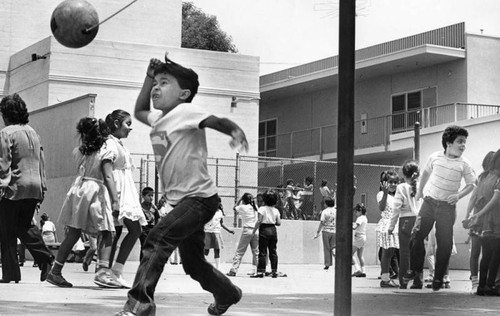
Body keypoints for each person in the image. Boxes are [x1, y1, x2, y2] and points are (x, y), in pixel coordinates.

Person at [117, 54, 247, 316]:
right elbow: (141, 110)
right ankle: (227, 293)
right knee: (193, 265)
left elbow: (214, 121)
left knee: (157, 238)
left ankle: (140, 303)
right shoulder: (159, 119)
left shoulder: (186, 111)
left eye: (164, 83)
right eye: (156, 83)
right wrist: (148, 76)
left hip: (199, 199)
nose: (156, 87)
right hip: (184, 202)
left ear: (184, 93)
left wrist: (233, 129)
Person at [46, 117, 120, 288]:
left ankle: (55, 272)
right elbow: (108, 176)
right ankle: (102, 272)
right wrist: (115, 200)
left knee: (74, 233)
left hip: (80, 189)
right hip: (95, 190)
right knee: (108, 232)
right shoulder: (105, 151)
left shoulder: (81, 151)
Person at [403, 125, 476, 291]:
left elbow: (471, 184)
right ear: (449, 143)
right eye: (460, 141)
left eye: (465, 142)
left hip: (447, 208)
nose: (463, 145)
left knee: (445, 244)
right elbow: (426, 174)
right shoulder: (435, 157)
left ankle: (438, 277)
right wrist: (420, 191)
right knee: (416, 235)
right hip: (429, 203)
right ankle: (415, 269)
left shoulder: (464, 163)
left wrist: (458, 195)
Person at [0, 93, 54, 284]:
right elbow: (42, 162)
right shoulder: (33, 132)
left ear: (6, 114)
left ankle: (11, 273)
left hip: (14, 187)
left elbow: (3, 164)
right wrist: (43, 188)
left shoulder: (6, 133)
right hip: (35, 186)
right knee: (24, 226)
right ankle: (46, 259)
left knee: (6, 230)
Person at [105, 109, 147, 289]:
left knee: (133, 230)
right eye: (127, 124)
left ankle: (115, 271)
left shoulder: (119, 144)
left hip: (127, 192)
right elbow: (107, 172)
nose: (131, 128)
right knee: (113, 234)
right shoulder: (109, 144)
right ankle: (108, 272)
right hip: (118, 192)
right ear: (116, 124)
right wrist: (114, 198)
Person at [468, 149, 500, 295]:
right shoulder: (498, 178)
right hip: (496, 221)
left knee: (486, 254)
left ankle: (481, 286)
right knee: (496, 254)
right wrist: (480, 214)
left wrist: (476, 215)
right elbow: (495, 200)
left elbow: (475, 198)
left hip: (484, 223)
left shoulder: (484, 177)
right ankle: (491, 285)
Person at [388, 160, 421, 289]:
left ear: (404, 173)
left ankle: (403, 281)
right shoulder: (420, 186)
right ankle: (418, 280)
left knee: (405, 253)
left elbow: (396, 207)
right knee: (418, 252)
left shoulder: (401, 187)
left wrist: (391, 226)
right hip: (419, 220)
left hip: (405, 221)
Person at [376, 170, 400, 288]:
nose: (393, 184)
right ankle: (385, 279)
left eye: (395, 182)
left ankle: (388, 276)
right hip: (387, 224)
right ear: (384, 183)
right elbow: (381, 207)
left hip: (396, 225)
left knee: (391, 252)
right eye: (390, 182)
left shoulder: (397, 196)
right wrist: (385, 193)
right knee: (386, 251)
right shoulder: (381, 194)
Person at [251, 189, 282, 278]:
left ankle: (261, 271)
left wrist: (254, 231)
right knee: (273, 251)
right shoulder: (276, 210)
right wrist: (272, 221)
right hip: (273, 229)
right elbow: (279, 223)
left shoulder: (262, 209)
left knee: (263, 251)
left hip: (264, 229)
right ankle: (274, 271)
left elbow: (259, 220)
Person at [227, 193, 259, 277]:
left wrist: (240, 199)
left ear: (244, 200)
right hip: (255, 230)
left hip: (247, 230)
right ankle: (257, 270)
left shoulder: (243, 207)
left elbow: (234, 208)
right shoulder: (255, 207)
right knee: (256, 252)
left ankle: (234, 269)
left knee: (240, 251)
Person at [204, 199, 235, 270]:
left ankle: (218, 267)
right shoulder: (208, 211)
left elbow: (221, 223)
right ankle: (202, 266)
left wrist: (229, 230)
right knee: (206, 250)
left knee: (217, 249)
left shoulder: (220, 212)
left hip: (216, 232)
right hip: (208, 232)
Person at [313, 197, 336, 270]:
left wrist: (318, 232)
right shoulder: (336, 211)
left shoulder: (324, 211)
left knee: (326, 248)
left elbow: (322, 222)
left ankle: (327, 264)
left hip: (326, 231)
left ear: (326, 203)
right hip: (334, 231)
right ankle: (337, 260)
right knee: (333, 247)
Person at [139, 187, 160, 261]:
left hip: (152, 229)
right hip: (144, 229)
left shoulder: (154, 207)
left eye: (152, 196)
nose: (151, 198)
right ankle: (142, 263)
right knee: (144, 246)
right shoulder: (140, 207)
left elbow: (157, 218)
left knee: (152, 247)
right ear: (143, 196)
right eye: (149, 195)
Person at [351, 203, 368, 277]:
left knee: (350, 254)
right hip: (363, 237)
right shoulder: (365, 218)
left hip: (359, 237)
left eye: (356, 211)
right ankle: (363, 271)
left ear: (360, 211)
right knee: (360, 255)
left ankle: (357, 269)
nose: (355, 213)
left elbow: (355, 227)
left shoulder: (360, 218)